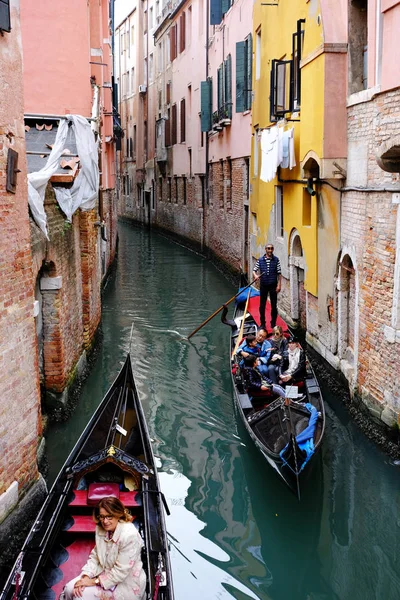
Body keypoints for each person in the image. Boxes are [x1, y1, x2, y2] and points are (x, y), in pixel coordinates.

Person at [61, 496, 146, 600]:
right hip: (104, 572)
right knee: (70, 589)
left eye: (109, 517)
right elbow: (95, 556)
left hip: (125, 583)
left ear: (118, 514)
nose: (105, 521)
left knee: (79, 597)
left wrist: (93, 582)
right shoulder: (102, 529)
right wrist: (86, 576)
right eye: (102, 516)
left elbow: (120, 572)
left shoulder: (129, 536)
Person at [253, 243, 282, 330]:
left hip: (273, 286)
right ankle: (262, 324)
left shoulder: (276, 260)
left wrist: (279, 285)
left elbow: (279, 274)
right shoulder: (260, 260)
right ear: (265, 249)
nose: (270, 250)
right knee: (262, 305)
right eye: (268, 248)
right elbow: (254, 270)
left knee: (274, 305)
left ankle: (273, 323)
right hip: (263, 285)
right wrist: (255, 276)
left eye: (271, 249)